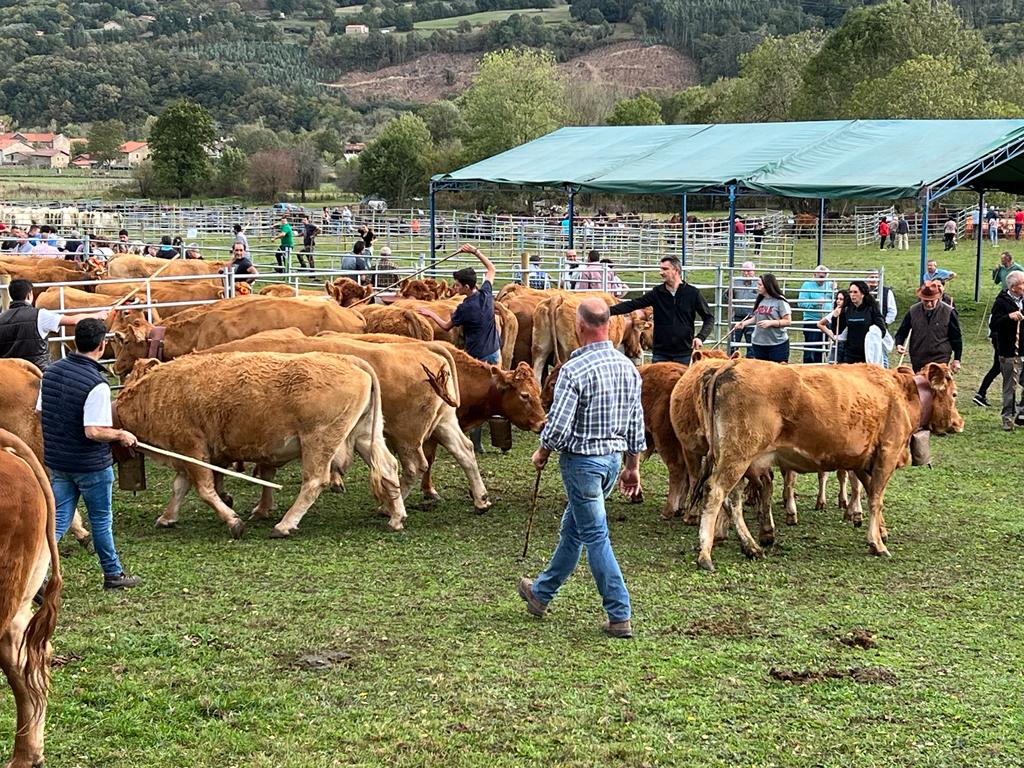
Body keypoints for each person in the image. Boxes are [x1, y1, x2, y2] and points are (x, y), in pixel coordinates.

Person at [517, 297, 644, 640]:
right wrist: (632, 467)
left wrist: (542, 450)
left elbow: (557, 425)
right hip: (611, 460)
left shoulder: (574, 370)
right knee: (574, 529)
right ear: (608, 325)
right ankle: (541, 593)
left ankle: (619, 613)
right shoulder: (628, 368)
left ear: (580, 326)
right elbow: (636, 423)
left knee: (595, 535)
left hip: (582, 463)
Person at [37, 318, 141, 590]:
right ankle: (113, 574)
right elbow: (93, 431)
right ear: (101, 345)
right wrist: (121, 435)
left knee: (57, 521)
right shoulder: (97, 383)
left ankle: (35, 576)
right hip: (90, 466)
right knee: (101, 521)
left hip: (59, 462)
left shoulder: (50, 372)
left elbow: (39, 411)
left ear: (74, 342)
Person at [417, 244, 500, 454]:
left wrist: (429, 313)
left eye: (456, 285)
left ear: (465, 287)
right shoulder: (486, 295)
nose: (454, 288)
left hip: (475, 356)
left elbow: (446, 326)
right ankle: (497, 436)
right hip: (494, 352)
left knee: (474, 397)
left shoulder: (464, 308)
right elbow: (492, 269)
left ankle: (473, 439)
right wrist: (476, 251)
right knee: (494, 393)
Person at [609, 256, 712, 364]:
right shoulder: (657, 293)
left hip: (684, 353)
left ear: (676, 270)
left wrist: (701, 337)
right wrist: (608, 311)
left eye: (665, 269)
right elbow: (633, 304)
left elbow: (709, 317)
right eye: (661, 269)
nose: (661, 272)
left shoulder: (692, 293)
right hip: (660, 354)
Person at [0, 279, 108, 370]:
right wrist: (97, 315)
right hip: (36, 370)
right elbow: (73, 320)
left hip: (10, 372)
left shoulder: (1, 318)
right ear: (29, 295)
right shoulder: (40, 315)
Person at [893, 281, 963, 374]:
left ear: (938, 298)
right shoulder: (913, 311)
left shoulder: (949, 312)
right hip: (918, 357)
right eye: (926, 301)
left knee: (936, 385)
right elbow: (902, 330)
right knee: (920, 386)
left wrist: (957, 359)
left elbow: (956, 338)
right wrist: (899, 344)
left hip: (940, 357)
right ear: (921, 298)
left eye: (932, 301)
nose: (929, 304)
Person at [990, 271, 1024, 430]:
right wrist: (1009, 317)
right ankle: (1007, 419)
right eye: (1023, 284)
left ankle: (1022, 413)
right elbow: (994, 325)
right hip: (1009, 352)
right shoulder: (1001, 302)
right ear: (1013, 287)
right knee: (1010, 387)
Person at [731, 273, 791, 363]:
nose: (757, 287)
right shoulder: (760, 300)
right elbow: (756, 318)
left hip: (777, 344)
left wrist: (771, 323)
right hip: (759, 343)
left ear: (768, 285)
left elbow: (787, 321)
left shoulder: (780, 301)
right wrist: (743, 323)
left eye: (760, 285)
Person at [840, 280, 887, 364]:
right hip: (850, 354)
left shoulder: (872, 308)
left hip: (867, 354)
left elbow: (882, 330)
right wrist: (835, 317)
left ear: (862, 294)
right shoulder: (847, 309)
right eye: (850, 292)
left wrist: (873, 338)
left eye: (855, 292)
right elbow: (838, 330)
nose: (852, 295)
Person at [796, 265, 833, 363]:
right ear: (814, 275)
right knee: (811, 348)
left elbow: (835, 299)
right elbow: (801, 303)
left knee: (824, 347)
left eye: (825, 276)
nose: (823, 279)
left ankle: (820, 368)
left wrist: (834, 291)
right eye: (820, 277)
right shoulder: (807, 285)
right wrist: (815, 303)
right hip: (812, 320)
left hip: (826, 320)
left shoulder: (830, 284)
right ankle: (808, 368)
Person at [728, 261, 758, 355]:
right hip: (737, 317)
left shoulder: (758, 283)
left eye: (748, 271)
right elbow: (727, 297)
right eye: (744, 271)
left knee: (752, 344)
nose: (746, 273)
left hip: (752, 318)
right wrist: (728, 294)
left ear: (754, 271)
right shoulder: (735, 282)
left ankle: (751, 362)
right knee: (733, 343)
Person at [817, 290, 850, 363]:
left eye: (841, 299)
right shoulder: (835, 312)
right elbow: (820, 324)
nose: (838, 301)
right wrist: (832, 335)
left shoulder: (850, 311)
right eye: (837, 299)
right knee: (832, 365)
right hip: (839, 343)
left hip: (849, 344)